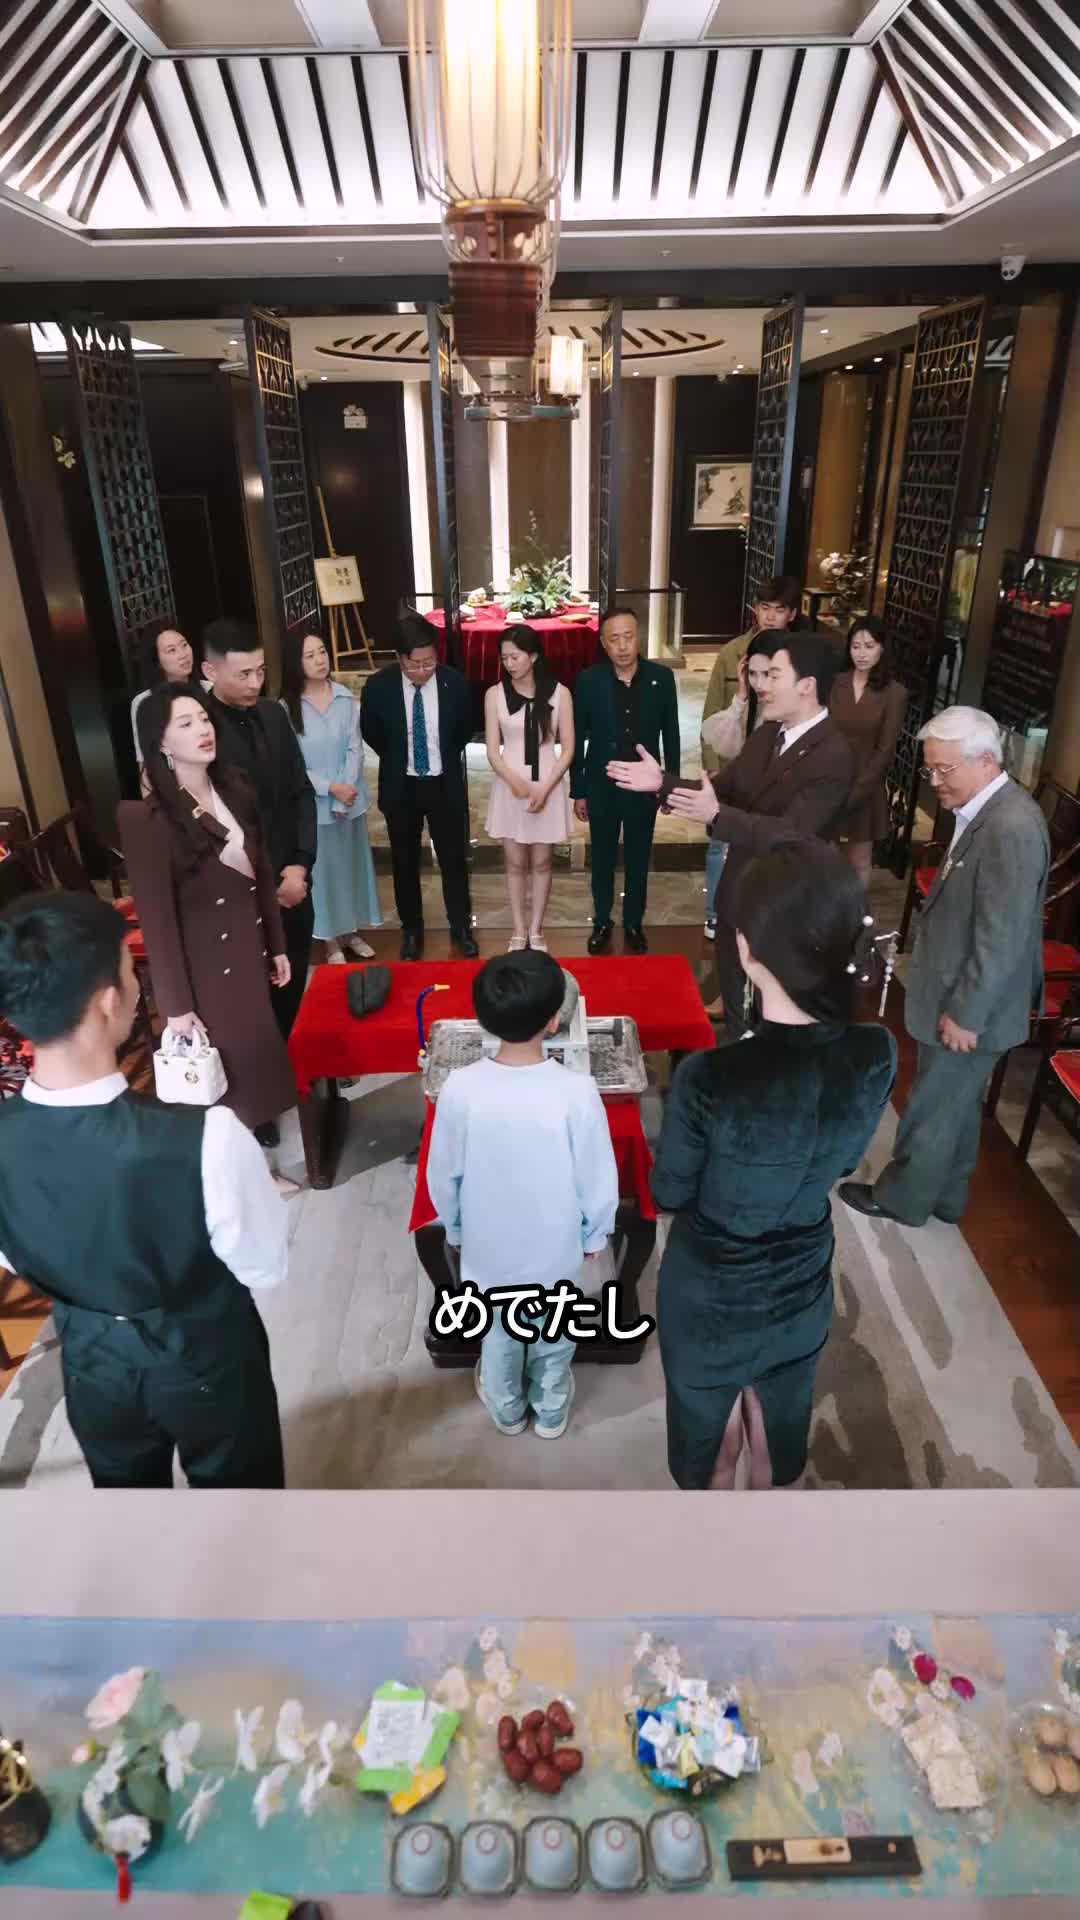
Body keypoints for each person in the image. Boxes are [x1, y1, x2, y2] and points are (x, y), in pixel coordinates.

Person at [0, 891, 288, 1490]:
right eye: (131, 971)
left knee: (128, 1505)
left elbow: (14, 1255)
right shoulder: (205, 1136)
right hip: (204, 1352)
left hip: (90, 1361)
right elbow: (263, 1265)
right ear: (109, 1000)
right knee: (244, 1502)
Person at [651, 843, 896, 1491]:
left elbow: (670, 1190)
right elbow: (845, 1160)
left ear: (748, 950)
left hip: (710, 1293)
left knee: (710, 1449)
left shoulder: (712, 1076)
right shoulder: (876, 1051)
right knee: (776, 1442)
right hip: (801, 1284)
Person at [841, 707, 1050, 1229]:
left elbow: (1001, 936)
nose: (933, 782)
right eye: (929, 768)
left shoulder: (1011, 827)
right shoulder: (985, 810)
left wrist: (967, 1014)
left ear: (985, 761)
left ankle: (902, 1199)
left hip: (974, 1003)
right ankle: (947, 1197)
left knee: (932, 1106)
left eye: (943, 769)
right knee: (955, 1103)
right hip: (962, 990)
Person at [610, 630, 853, 1037]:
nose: (761, 685)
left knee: (772, 1018)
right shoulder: (768, 734)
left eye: (774, 675)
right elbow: (724, 787)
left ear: (807, 686)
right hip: (739, 893)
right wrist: (663, 783)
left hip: (785, 907)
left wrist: (717, 815)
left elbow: (791, 834)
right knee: (737, 1005)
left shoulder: (833, 754)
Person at [426, 950, 619, 1439]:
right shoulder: (577, 1091)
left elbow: (443, 1174)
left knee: (498, 1334)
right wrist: (595, 1234)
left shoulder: (460, 1089)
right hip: (556, 1250)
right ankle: (551, 1410)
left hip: (488, 1252)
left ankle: (507, 1408)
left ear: (481, 1018)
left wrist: (456, 1229)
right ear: (555, 1020)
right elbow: (597, 1176)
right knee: (555, 1331)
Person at [119, 685, 299, 1195]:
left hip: (249, 949)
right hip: (202, 968)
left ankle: (251, 1170)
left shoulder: (235, 787)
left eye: (203, 718)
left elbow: (261, 873)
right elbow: (156, 919)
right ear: (161, 742)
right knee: (225, 1075)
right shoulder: (148, 818)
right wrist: (175, 1007)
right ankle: (239, 1181)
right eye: (185, 724)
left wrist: (277, 943)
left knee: (252, 1063)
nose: (202, 730)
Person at [202, 618, 317, 1055]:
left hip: (294, 881)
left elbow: (301, 791)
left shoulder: (273, 713)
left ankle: (291, 1068)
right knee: (252, 999)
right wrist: (267, 885)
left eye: (261, 671)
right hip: (242, 891)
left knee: (293, 981)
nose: (255, 683)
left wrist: (300, 865)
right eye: (243, 674)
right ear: (211, 671)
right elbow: (212, 823)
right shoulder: (200, 727)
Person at [360, 610, 479, 960]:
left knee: (454, 859)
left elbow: (463, 730)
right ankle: (411, 930)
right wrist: (400, 758)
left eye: (430, 662)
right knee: (405, 862)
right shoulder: (378, 687)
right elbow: (372, 733)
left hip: (444, 784)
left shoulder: (455, 684)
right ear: (399, 658)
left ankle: (461, 927)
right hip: (402, 786)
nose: (424, 671)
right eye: (415, 665)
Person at [571, 607, 680, 955]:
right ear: (604, 644)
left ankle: (633, 922)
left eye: (628, 637)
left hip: (644, 787)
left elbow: (672, 735)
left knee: (638, 856)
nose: (622, 646)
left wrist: (669, 787)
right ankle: (602, 921)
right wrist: (579, 790)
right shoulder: (588, 681)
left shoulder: (661, 678)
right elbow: (577, 739)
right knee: (602, 859)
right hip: (602, 785)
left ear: (639, 637)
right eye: (614, 639)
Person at [280, 630, 380, 963]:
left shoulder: (344, 698)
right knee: (323, 875)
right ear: (295, 663)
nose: (320, 660)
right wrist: (331, 789)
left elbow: (355, 749)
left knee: (350, 870)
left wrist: (344, 792)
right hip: (314, 807)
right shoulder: (286, 708)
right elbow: (293, 764)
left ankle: (350, 931)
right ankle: (329, 939)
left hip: (349, 802)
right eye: (309, 656)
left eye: (322, 652)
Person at [484, 627, 575, 952]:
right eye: (505, 658)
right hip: (510, 787)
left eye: (515, 657)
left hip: (548, 785)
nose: (509, 664)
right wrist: (515, 782)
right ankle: (518, 929)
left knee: (542, 863)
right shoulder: (494, 694)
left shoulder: (560, 693)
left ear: (533, 656)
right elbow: (493, 751)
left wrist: (546, 788)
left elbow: (568, 749)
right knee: (514, 863)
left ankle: (536, 930)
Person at [829, 616, 908, 888]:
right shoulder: (835, 682)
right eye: (856, 646)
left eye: (869, 646)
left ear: (882, 648)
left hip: (865, 787)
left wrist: (856, 792)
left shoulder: (894, 693)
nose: (861, 654)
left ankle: (855, 911)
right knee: (825, 854)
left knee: (859, 859)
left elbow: (885, 751)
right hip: (828, 780)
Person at [700, 644, 773, 939]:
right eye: (752, 674)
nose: (759, 682)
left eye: (768, 674)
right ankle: (715, 914)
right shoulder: (746, 694)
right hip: (738, 784)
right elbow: (720, 740)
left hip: (769, 799)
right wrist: (741, 697)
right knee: (721, 846)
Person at [131, 618, 197, 766]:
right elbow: (145, 761)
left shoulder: (209, 688)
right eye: (172, 650)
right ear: (157, 661)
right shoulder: (144, 702)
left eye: (184, 645)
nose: (183, 654)